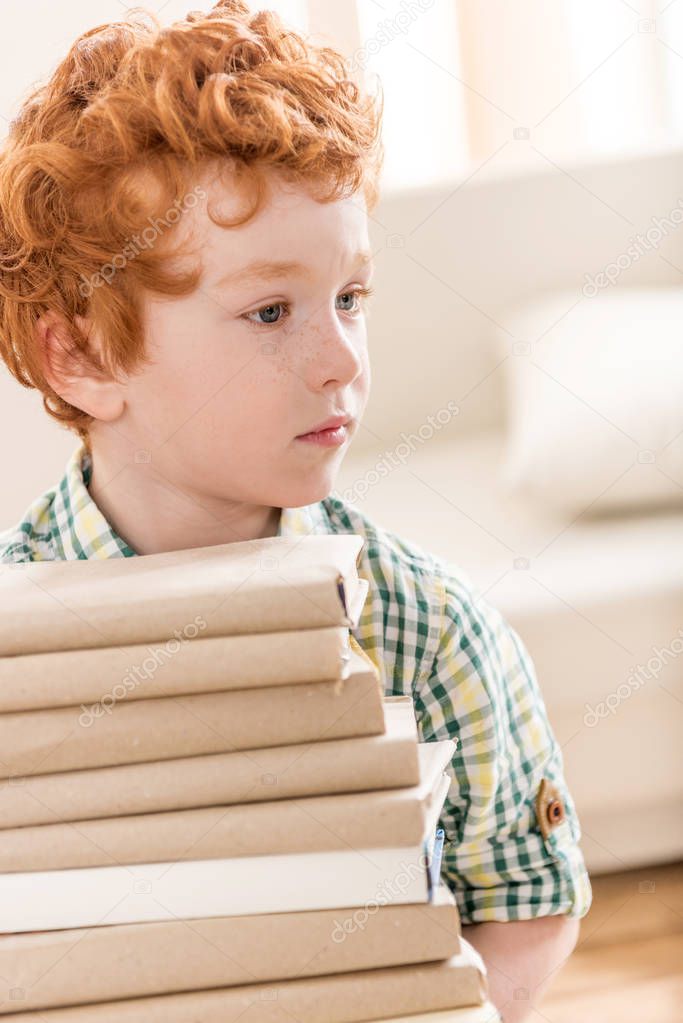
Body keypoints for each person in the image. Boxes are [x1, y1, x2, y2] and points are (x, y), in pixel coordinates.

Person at [0, 3, 591, 1017]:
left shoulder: (428, 631)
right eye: (271, 312)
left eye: (350, 298)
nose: (339, 360)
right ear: (84, 356)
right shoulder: (15, 646)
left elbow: (526, 899)